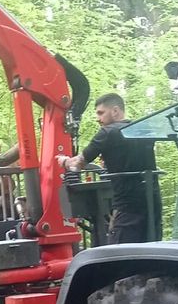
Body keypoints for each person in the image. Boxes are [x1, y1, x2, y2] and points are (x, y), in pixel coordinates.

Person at [57, 92, 148, 243]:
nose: (98, 118)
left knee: (119, 255)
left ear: (115, 111)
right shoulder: (140, 130)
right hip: (150, 206)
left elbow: (77, 164)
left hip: (126, 207)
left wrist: (65, 161)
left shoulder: (107, 133)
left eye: (101, 113)